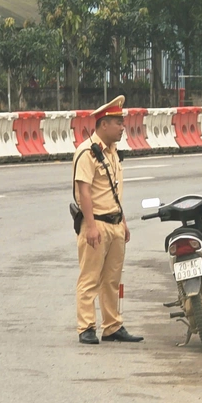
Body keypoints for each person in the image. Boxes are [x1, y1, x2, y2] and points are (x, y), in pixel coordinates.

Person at [73, 95, 143, 345]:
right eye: (118, 123)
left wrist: (123, 222)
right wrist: (90, 226)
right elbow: (84, 192)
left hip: (114, 224)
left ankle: (112, 326)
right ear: (104, 124)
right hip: (97, 225)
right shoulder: (86, 153)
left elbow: (113, 191)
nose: (123, 127)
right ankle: (86, 327)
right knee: (90, 278)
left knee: (112, 280)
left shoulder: (113, 152)